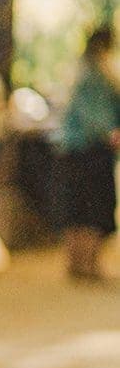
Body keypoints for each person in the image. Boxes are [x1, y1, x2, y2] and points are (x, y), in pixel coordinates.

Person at [52, 25, 120, 282]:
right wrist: (111, 133)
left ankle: (80, 263)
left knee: (77, 207)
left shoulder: (84, 73)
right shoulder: (97, 76)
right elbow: (97, 117)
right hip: (91, 150)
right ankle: (87, 264)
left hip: (76, 150)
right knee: (92, 207)